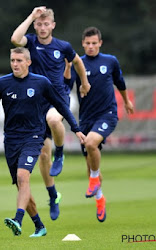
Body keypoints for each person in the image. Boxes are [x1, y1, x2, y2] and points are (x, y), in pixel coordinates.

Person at [0, 47, 85, 237]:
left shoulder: (41, 83)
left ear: (28, 62)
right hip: (11, 140)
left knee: (23, 177)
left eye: (19, 61)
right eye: (12, 61)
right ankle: (39, 226)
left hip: (34, 137)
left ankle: (17, 220)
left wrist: (76, 129)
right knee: (22, 186)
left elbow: (61, 105)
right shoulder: (2, 84)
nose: (15, 64)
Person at [10, 6, 91, 220]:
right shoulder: (31, 42)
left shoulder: (63, 46)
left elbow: (78, 62)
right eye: (39, 24)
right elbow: (15, 38)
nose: (43, 27)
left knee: (54, 119)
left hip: (57, 98)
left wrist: (84, 82)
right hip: (36, 102)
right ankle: (53, 195)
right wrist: (31, 16)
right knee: (43, 156)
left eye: (46, 24)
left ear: (53, 25)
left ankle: (61, 153)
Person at [63, 26, 134, 222]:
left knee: (91, 143)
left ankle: (94, 177)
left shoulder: (110, 61)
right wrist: (68, 69)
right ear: (83, 44)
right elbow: (67, 87)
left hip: (107, 114)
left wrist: (126, 101)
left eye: (95, 43)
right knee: (90, 161)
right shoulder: (78, 64)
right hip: (86, 119)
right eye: (88, 44)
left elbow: (120, 82)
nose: (91, 46)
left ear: (100, 43)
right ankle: (100, 198)